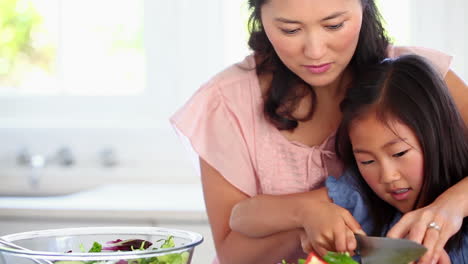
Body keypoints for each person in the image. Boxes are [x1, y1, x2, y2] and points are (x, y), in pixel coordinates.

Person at [170, 0, 468, 263]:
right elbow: (235, 246)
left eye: (334, 24)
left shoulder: (419, 82)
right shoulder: (226, 103)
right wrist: (304, 219)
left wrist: (451, 206)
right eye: (290, 29)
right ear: (260, 16)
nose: (315, 51)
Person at [230, 55, 468, 263]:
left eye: (399, 153)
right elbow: (241, 216)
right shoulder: (360, 196)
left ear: (438, 134)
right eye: (367, 161)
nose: (387, 176)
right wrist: (305, 213)